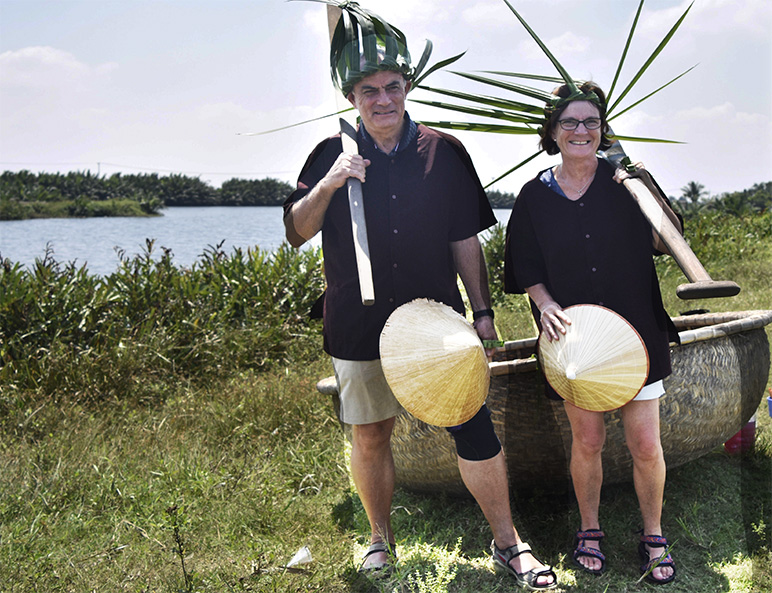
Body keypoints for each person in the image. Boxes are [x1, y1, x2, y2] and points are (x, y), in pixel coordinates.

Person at [283, 6, 557, 588]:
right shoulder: (329, 152)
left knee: (472, 424)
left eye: (392, 87)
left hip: (436, 321)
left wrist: (482, 315)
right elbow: (297, 229)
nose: (382, 99)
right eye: (369, 90)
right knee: (371, 431)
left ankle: (509, 544)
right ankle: (379, 541)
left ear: (407, 88)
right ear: (352, 97)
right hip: (357, 321)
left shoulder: (445, 152)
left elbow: (466, 240)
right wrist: (333, 180)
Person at [504, 81, 681, 585]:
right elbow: (524, 265)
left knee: (646, 444)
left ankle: (653, 534)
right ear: (553, 132)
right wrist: (546, 305)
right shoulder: (535, 196)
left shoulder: (626, 182)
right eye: (570, 122)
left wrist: (639, 180)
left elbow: (668, 240)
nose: (581, 131)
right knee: (588, 440)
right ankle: (590, 530)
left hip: (636, 331)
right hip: (575, 338)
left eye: (590, 122)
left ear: (603, 131)